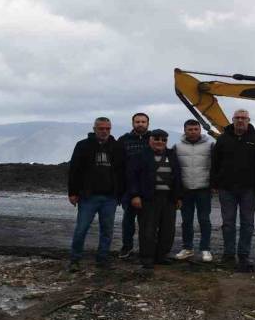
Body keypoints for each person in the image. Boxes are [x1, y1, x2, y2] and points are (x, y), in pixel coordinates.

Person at [67, 117, 125, 272]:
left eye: (107, 128)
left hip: (110, 197)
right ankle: (75, 260)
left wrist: (120, 193)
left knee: (107, 230)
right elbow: (74, 170)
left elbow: (121, 171)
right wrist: (73, 192)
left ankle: (102, 260)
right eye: (101, 128)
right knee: (81, 229)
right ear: (94, 129)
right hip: (88, 196)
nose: (104, 131)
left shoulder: (117, 147)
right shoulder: (83, 146)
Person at [210, 109, 255, 271]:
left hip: (249, 189)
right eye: (237, 118)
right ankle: (228, 255)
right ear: (233, 120)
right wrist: (214, 184)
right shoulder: (222, 139)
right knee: (228, 223)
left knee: (247, 223)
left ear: (249, 120)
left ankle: (243, 255)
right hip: (226, 188)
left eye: (244, 118)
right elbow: (215, 163)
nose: (240, 120)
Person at [126, 129, 182, 269]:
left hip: (168, 199)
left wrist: (178, 197)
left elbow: (177, 177)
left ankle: (161, 256)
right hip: (148, 198)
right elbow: (132, 177)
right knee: (148, 229)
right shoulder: (140, 156)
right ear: (150, 140)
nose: (160, 142)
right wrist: (135, 195)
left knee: (168, 230)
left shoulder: (172, 155)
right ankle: (147, 257)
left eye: (163, 140)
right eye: (156, 139)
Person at [174, 120, 214, 263]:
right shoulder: (177, 147)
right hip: (185, 190)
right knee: (186, 221)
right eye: (190, 129)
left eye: (195, 129)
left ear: (200, 130)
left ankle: (205, 248)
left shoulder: (210, 145)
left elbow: (216, 165)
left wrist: (214, 184)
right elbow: (174, 169)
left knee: (204, 220)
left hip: (204, 189)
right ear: (185, 130)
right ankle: (187, 248)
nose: (193, 132)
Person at [117, 112, 151, 259]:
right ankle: (127, 246)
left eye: (143, 122)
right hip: (128, 187)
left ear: (148, 123)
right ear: (133, 123)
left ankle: (146, 249)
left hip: (148, 188)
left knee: (147, 222)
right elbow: (118, 165)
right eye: (137, 122)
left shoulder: (154, 138)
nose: (140, 124)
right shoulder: (124, 140)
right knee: (128, 220)